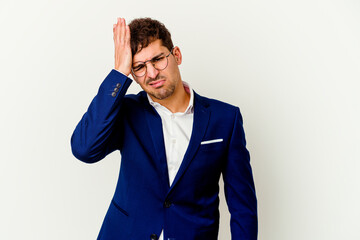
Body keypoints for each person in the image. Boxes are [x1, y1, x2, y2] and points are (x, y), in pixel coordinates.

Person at [71, 17, 257, 240]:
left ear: (176, 55)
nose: (151, 73)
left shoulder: (225, 118)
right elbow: (84, 148)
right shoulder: (126, 112)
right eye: (139, 67)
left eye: (158, 59)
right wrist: (119, 72)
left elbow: (242, 206)